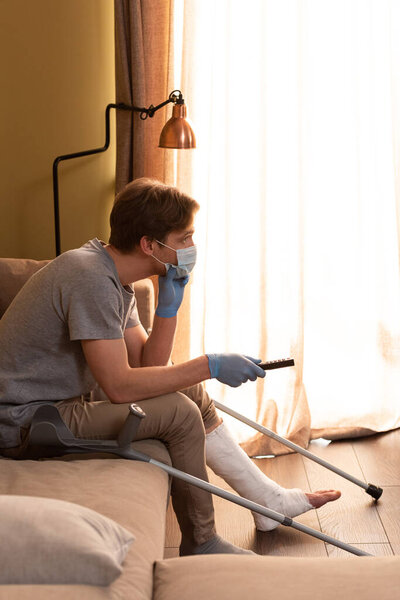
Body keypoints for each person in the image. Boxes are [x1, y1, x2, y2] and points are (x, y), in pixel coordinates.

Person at [0, 178, 340, 556]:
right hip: (26, 421)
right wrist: (208, 365)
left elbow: (149, 365)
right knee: (178, 413)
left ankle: (267, 502)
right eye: (185, 238)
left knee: (187, 389)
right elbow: (120, 387)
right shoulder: (89, 278)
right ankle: (202, 541)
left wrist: (168, 308)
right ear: (150, 244)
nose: (192, 248)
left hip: (56, 404)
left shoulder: (113, 277)